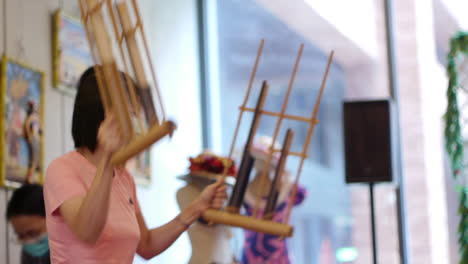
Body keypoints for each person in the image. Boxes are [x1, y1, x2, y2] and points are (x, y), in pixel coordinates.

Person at [43, 67, 227, 263]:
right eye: (131, 114)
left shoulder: (124, 177)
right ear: (101, 115)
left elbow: (146, 245)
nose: (135, 126)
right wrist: (107, 159)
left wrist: (196, 208)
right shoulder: (62, 169)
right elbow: (87, 232)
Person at [241, 136, 307, 264]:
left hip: (277, 255)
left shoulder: (288, 189)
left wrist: (285, 181)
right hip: (252, 255)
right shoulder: (244, 189)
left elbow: (301, 196)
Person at [6, 184, 50, 264]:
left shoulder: (74, 250)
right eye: (21, 236)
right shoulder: (28, 252)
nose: (28, 241)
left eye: (33, 233)